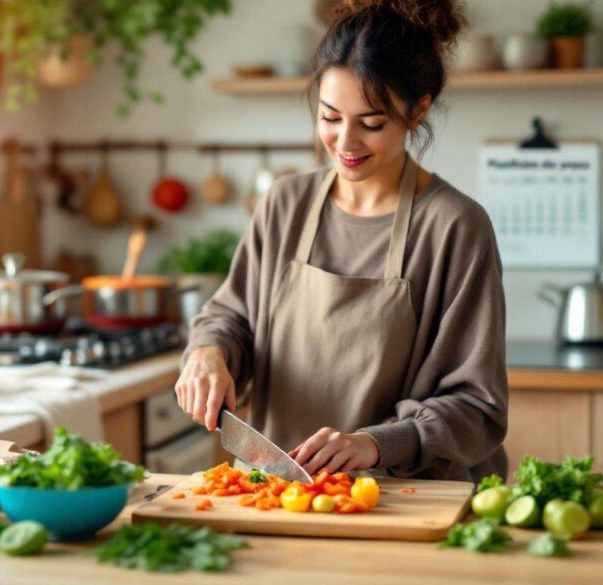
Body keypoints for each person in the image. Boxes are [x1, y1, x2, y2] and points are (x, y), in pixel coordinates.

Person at [175, 0, 508, 483]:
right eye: (330, 118)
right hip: (280, 492)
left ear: (418, 111)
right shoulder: (284, 204)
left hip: (405, 499)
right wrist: (208, 352)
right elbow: (232, 317)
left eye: (372, 124)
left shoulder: (455, 226)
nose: (346, 143)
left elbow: (478, 408)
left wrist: (373, 444)